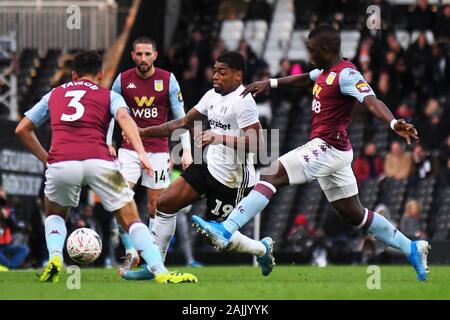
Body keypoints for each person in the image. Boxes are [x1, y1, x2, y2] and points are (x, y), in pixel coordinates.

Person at [192, 24, 431, 282]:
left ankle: (227, 229)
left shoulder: (347, 74)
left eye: (312, 51)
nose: (308, 55)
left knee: (272, 173)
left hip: (327, 146)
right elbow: (305, 78)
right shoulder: (325, 71)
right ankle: (412, 248)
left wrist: (394, 123)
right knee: (354, 214)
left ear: (326, 51)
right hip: (336, 152)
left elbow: (371, 100)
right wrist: (270, 83)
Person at [15, 49, 197, 284]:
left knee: (55, 214)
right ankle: (160, 271)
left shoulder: (54, 94)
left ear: (73, 75)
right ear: (100, 75)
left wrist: (46, 158)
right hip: (100, 163)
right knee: (132, 219)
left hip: (61, 163)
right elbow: (124, 119)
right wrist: (141, 152)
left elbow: (22, 129)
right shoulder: (108, 95)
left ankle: (56, 257)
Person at [121, 51, 275, 280]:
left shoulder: (244, 103)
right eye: (215, 71)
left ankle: (262, 249)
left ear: (237, 75)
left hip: (232, 180)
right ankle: (155, 267)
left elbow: (258, 144)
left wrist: (218, 138)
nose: (216, 76)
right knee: (164, 204)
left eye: (222, 72)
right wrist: (144, 132)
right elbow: (183, 122)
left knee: (216, 238)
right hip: (208, 166)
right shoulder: (211, 96)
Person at [106, 37, 193, 273]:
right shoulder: (122, 80)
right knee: (120, 199)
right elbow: (110, 113)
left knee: (155, 207)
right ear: (132, 55)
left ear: (155, 55)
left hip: (158, 151)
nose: (143, 59)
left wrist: (186, 150)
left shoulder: (168, 80)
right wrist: (108, 142)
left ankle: (152, 257)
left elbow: (181, 118)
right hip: (128, 150)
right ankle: (131, 252)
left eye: (147, 54)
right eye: (139, 54)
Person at [0, 187, 30, 270]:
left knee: (24, 249)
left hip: (5, 246)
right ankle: (8, 267)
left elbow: (14, 228)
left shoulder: (7, 212)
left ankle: (8, 267)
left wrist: (6, 218)